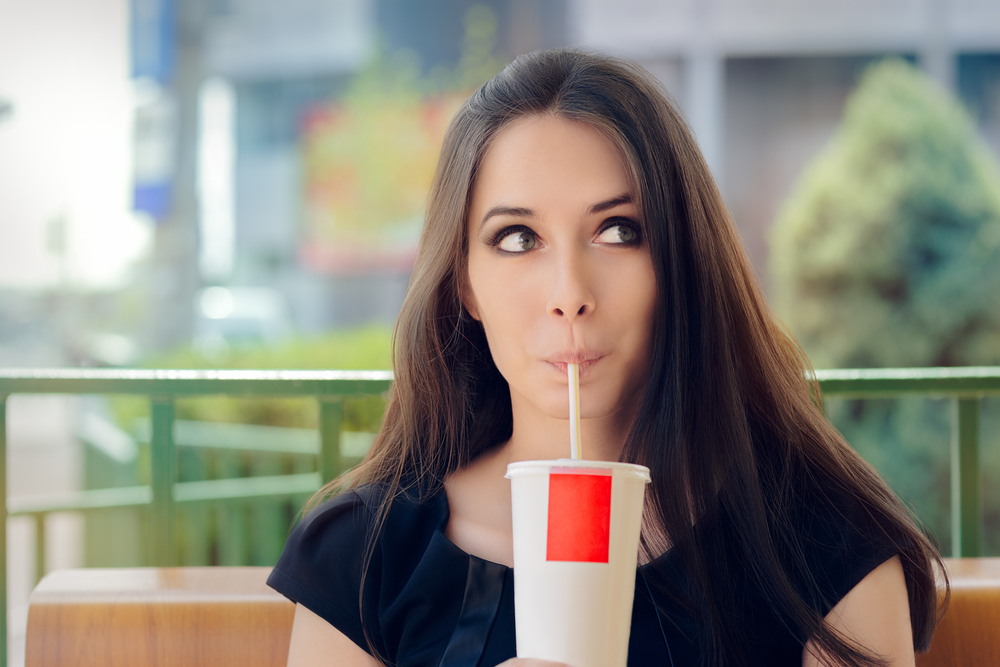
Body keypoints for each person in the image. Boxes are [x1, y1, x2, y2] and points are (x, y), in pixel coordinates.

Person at [268, 49, 944, 667]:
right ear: (464, 282)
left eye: (619, 231)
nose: (570, 294)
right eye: (516, 237)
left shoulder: (822, 542)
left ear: (680, 261)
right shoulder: (366, 553)